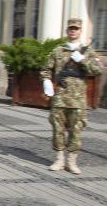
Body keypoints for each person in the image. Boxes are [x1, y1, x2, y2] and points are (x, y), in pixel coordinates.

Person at [41, 18, 102, 174]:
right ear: (67, 31)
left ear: (81, 31)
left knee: (76, 130)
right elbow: (46, 69)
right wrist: (47, 82)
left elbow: (97, 70)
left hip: (77, 100)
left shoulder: (88, 52)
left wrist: (82, 60)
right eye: (70, 28)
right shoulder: (57, 51)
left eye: (76, 29)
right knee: (57, 129)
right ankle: (59, 159)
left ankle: (71, 161)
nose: (73, 31)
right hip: (60, 98)